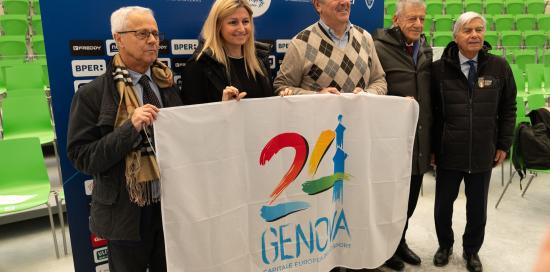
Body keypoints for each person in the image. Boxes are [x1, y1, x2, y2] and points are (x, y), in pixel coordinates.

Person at [67, 6, 183, 272]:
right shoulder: (92, 94)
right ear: (118, 39)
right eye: (142, 34)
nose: (153, 40)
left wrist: (223, 110)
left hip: (171, 206)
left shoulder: (166, 83)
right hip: (126, 213)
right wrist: (129, 128)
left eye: (155, 33)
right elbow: (82, 158)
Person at [431, 12, 516, 272]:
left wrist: (503, 143)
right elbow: (432, 113)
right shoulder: (438, 69)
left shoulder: (499, 67)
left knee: (477, 208)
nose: (475, 35)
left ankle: (472, 251)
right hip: (449, 151)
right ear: (456, 36)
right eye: (468, 30)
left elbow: (509, 107)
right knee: (443, 205)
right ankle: (445, 246)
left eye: (479, 30)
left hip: (482, 151)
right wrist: (433, 149)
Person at [372, 0, 431, 270]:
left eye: (422, 19)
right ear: (396, 20)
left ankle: (400, 242)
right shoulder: (378, 47)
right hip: (390, 140)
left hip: (419, 138)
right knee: (388, 199)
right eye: (412, 19)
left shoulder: (426, 48)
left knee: (410, 198)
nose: (418, 24)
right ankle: (384, 248)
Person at [273, 0, 387, 96]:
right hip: (317, 121)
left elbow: (379, 81)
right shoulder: (300, 43)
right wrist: (317, 97)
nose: (343, 2)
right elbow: (282, 87)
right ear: (318, 5)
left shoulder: (365, 38)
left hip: (359, 121)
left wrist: (367, 94)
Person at [181, 0, 273, 104]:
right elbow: (192, 116)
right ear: (217, 26)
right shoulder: (199, 65)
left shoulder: (260, 59)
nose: (242, 29)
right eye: (233, 22)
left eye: (245, 21)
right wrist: (223, 108)